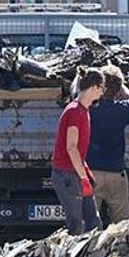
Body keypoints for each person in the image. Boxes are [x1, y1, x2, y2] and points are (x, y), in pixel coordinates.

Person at [51, 68, 105, 235]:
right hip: (67, 175)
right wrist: (82, 178)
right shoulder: (75, 111)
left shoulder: (83, 110)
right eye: (101, 87)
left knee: (93, 223)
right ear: (93, 88)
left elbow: (77, 151)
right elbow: (71, 147)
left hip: (74, 173)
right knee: (77, 225)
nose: (102, 92)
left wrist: (86, 174)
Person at [87, 66, 129, 224]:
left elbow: (76, 92)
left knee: (88, 225)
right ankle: (120, 249)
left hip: (91, 174)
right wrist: (122, 86)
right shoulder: (123, 111)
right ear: (117, 90)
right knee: (122, 226)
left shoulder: (88, 108)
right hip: (116, 174)